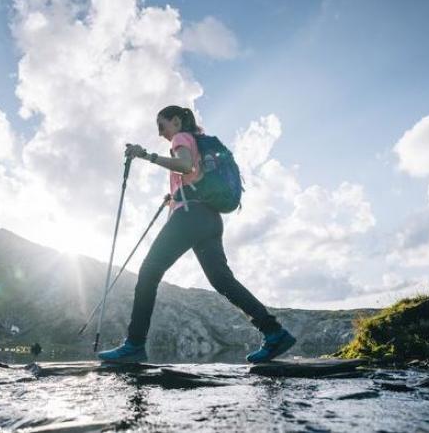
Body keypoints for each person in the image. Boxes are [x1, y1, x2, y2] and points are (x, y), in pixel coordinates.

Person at [97, 105, 295, 364]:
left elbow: (185, 165)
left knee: (149, 271)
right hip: (210, 219)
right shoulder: (197, 142)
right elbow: (194, 173)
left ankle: (134, 345)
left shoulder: (181, 138)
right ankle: (274, 332)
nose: (160, 133)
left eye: (162, 125)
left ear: (176, 121)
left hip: (191, 218)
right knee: (222, 281)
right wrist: (176, 196)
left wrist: (146, 155)